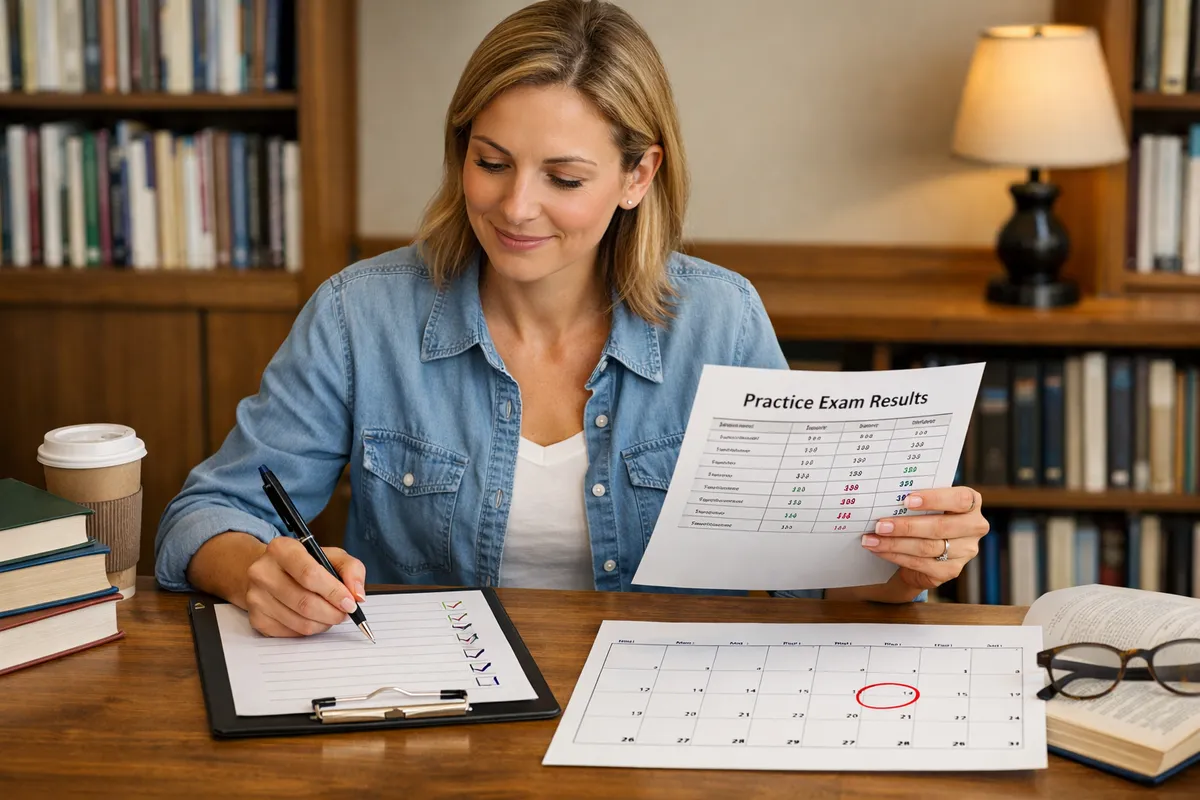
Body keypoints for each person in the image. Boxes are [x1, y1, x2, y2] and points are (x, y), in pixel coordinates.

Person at [155, 0, 989, 638]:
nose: (516, 207)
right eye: (492, 163)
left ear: (637, 177)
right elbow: (204, 516)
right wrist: (256, 571)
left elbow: (809, 576)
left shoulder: (721, 321)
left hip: (665, 709)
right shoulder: (358, 314)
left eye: (563, 176)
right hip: (439, 709)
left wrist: (908, 566)